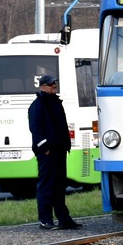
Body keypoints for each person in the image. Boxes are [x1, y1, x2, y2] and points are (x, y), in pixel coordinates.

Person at [27, 74, 80, 230]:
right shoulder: (37, 105)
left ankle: (64, 219)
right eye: (51, 85)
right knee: (46, 186)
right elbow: (35, 129)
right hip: (48, 153)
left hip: (60, 151)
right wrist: (45, 148)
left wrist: (65, 145)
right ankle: (45, 219)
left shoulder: (56, 102)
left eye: (54, 84)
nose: (54, 86)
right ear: (42, 86)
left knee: (59, 186)